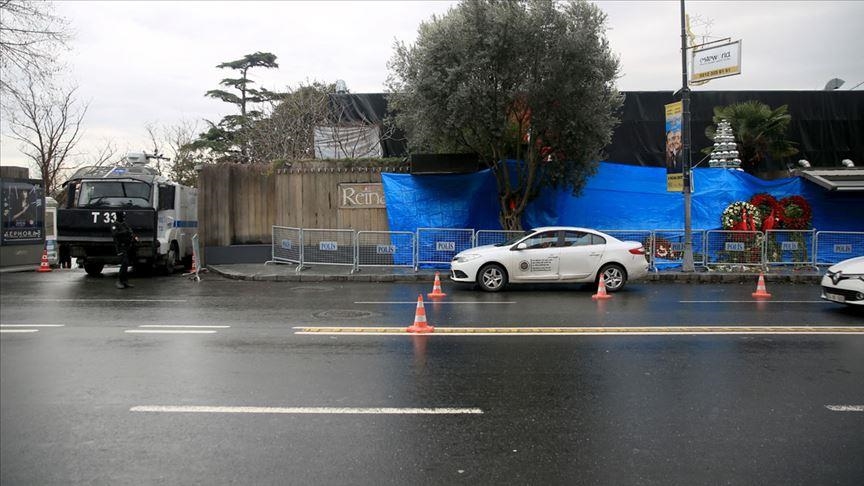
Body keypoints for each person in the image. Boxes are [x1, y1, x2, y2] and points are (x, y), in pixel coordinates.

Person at [111, 212, 137, 289]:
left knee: (127, 263)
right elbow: (115, 234)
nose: (123, 217)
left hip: (127, 246)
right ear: (119, 216)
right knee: (124, 262)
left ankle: (125, 281)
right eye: (122, 216)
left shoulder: (124, 224)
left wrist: (134, 237)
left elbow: (130, 232)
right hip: (120, 247)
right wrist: (125, 232)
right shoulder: (115, 225)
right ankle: (119, 281)